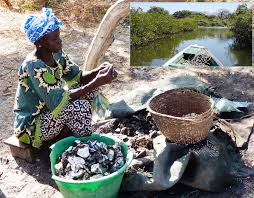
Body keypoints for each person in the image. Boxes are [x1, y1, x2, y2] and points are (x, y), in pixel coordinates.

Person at [14, 8, 117, 148]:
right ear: (40, 43)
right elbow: (57, 102)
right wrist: (97, 80)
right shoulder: (34, 66)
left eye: (59, 36)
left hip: (50, 113)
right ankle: (87, 146)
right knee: (79, 106)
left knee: (91, 91)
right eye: (54, 38)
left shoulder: (56, 53)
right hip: (33, 125)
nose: (60, 41)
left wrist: (99, 71)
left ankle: (77, 133)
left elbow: (78, 77)